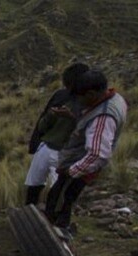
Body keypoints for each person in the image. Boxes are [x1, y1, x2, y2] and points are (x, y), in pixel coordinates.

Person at [45, 70, 127, 233]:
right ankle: (58, 229)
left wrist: (72, 171)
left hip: (79, 166)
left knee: (60, 200)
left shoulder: (102, 117)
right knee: (63, 199)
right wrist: (72, 116)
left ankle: (56, 236)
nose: (77, 101)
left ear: (91, 94)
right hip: (79, 162)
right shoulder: (114, 99)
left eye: (79, 97)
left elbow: (97, 154)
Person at [24, 63, 89, 206]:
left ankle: (53, 220)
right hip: (46, 147)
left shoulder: (89, 103)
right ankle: (29, 210)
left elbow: (88, 129)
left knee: (57, 191)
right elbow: (43, 123)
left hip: (65, 154)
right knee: (34, 185)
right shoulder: (60, 96)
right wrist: (51, 116)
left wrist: (71, 117)